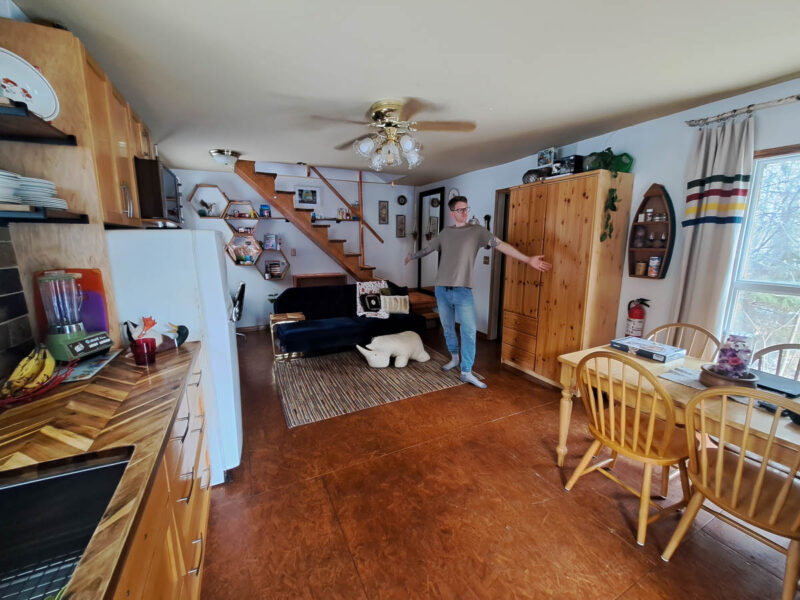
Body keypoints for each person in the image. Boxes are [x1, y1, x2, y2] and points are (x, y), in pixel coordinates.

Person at [405, 196, 552, 388]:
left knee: (469, 331)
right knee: (448, 327)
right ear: (452, 213)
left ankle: (466, 371)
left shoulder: (477, 232)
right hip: (441, 289)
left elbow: (501, 245)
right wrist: (412, 256)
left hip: (463, 291)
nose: (465, 213)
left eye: (466, 209)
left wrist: (527, 259)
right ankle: (455, 357)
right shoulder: (445, 233)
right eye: (460, 210)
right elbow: (427, 249)